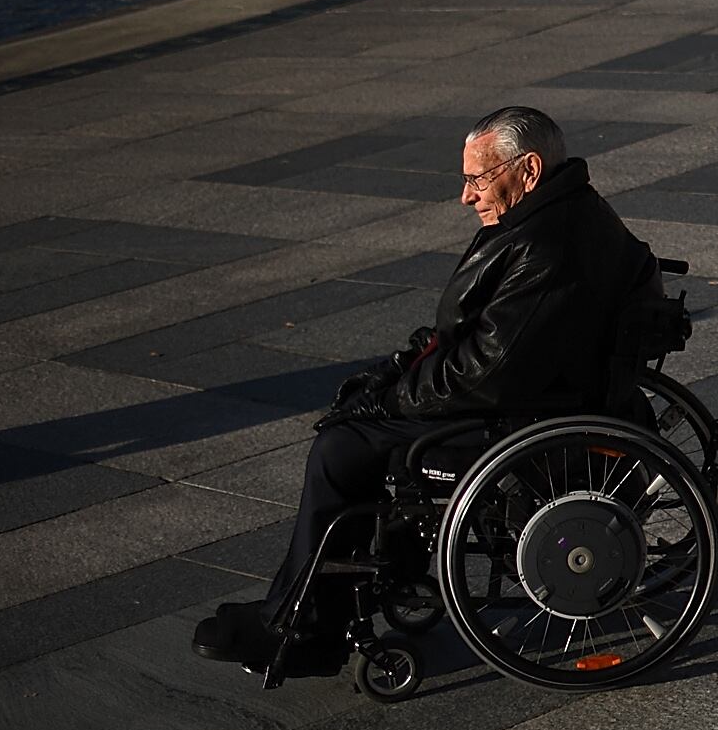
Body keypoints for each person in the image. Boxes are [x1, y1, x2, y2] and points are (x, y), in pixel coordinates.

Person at [193, 106, 653, 674]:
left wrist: (389, 397)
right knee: (353, 434)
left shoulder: (546, 245)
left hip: (522, 419)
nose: (466, 196)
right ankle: (316, 605)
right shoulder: (557, 215)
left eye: (478, 178)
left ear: (529, 170)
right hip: (534, 398)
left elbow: (485, 372)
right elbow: (486, 337)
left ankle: (305, 629)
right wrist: (401, 367)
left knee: (342, 450)